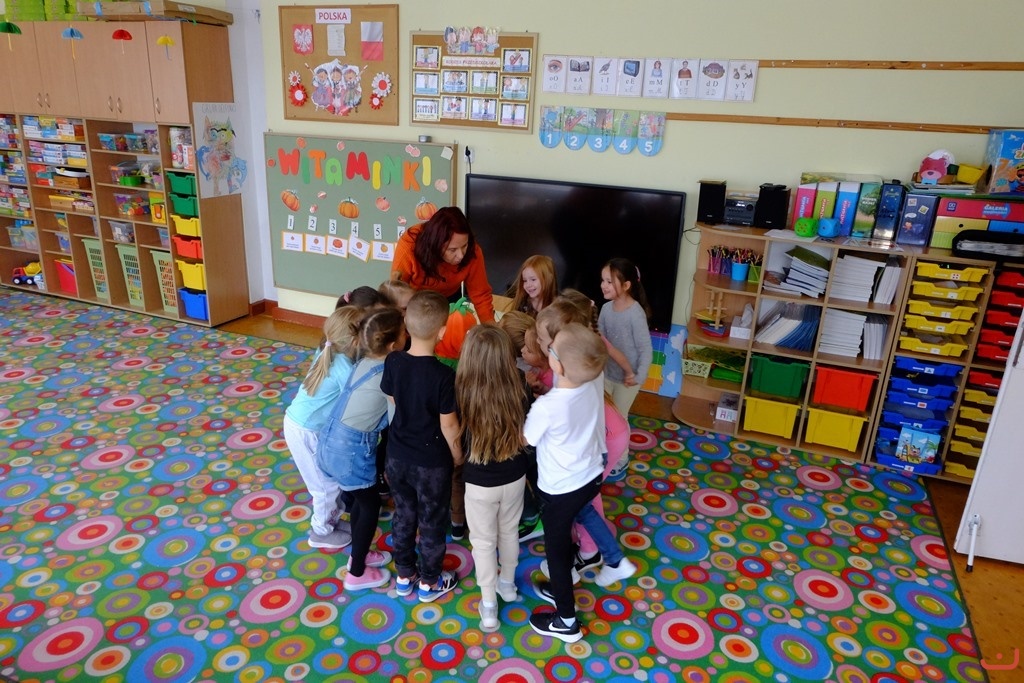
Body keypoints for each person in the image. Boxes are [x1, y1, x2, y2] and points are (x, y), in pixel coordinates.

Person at [524, 322, 607, 643]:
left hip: (559, 491)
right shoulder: (591, 385)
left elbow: (526, 439)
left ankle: (566, 621)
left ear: (557, 365)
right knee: (574, 526)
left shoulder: (547, 407)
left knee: (555, 555)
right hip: (589, 479)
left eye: (551, 349)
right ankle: (595, 559)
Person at [381, 290, 464, 602]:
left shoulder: (393, 361)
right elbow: (449, 425)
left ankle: (404, 575)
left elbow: (391, 397)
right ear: (442, 332)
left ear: (406, 323)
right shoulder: (444, 376)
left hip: (396, 456)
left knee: (404, 515)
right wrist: (457, 455)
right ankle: (430, 581)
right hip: (431, 463)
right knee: (431, 520)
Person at [316, 307, 406, 590]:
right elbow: (395, 419)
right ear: (394, 344)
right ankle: (356, 573)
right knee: (369, 504)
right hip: (350, 450)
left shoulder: (363, 362)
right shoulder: (390, 373)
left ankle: (360, 552)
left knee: (360, 499)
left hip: (328, 441)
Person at [456, 324, 530, 631]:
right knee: (509, 532)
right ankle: (508, 584)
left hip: (478, 481)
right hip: (514, 475)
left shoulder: (461, 389)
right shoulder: (520, 382)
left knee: (483, 543)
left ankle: (489, 605)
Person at [283, 308, 362, 549]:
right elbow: (358, 398)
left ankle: (331, 522)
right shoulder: (344, 368)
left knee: (328, 481)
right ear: (356, 341)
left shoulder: (327, 351)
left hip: (302, 426)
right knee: (325, 486)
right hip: (305, 432)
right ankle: (320, 532)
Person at [391, 206, 495, 322]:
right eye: (452, 250)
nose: (461, 255)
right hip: (417, 303)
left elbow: (480, 295)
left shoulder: (472, 251)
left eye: (464, 246)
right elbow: (397, 294)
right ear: (436, 245)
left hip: (451, 300)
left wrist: (491, 328)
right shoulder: (409, 247)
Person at [598, 258, 653, 419]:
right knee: (603, 415)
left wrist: (639, 377)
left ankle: (622, 438)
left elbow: (645, 349)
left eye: (609, 282)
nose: (603, 285)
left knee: (619, 418)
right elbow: (600, 340)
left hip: (628, 380)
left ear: (626, 285)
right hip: (607, 374)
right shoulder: (605, 309)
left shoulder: (635, 314)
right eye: (603, 280)